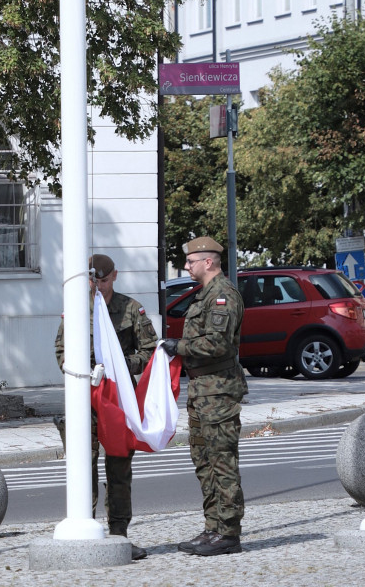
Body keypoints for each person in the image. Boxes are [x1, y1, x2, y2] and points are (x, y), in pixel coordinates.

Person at [54, 254, 158, 560]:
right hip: (84, 399)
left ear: (114, 276)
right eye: (92, 280)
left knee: (119, 467)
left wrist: (122, 365)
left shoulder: (130, 308)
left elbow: (150, 351)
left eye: (103, 279)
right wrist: (83, 372)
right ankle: (87, 530)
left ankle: (119, 536)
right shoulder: (76, 308)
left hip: (118, 399)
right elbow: (61, 351)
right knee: (83, 467)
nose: (97, 285)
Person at [160, 237, 247, 556]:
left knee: (222, 461)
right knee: (203, 461)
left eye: (191, 261)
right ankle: (212, 527)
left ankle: (228, 533)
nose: (187, 266)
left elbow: (218, 344)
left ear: (208, 262)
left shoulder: (223, 296)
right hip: (202, 390)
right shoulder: (205, 295)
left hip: (219, 391)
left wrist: (178, 347)